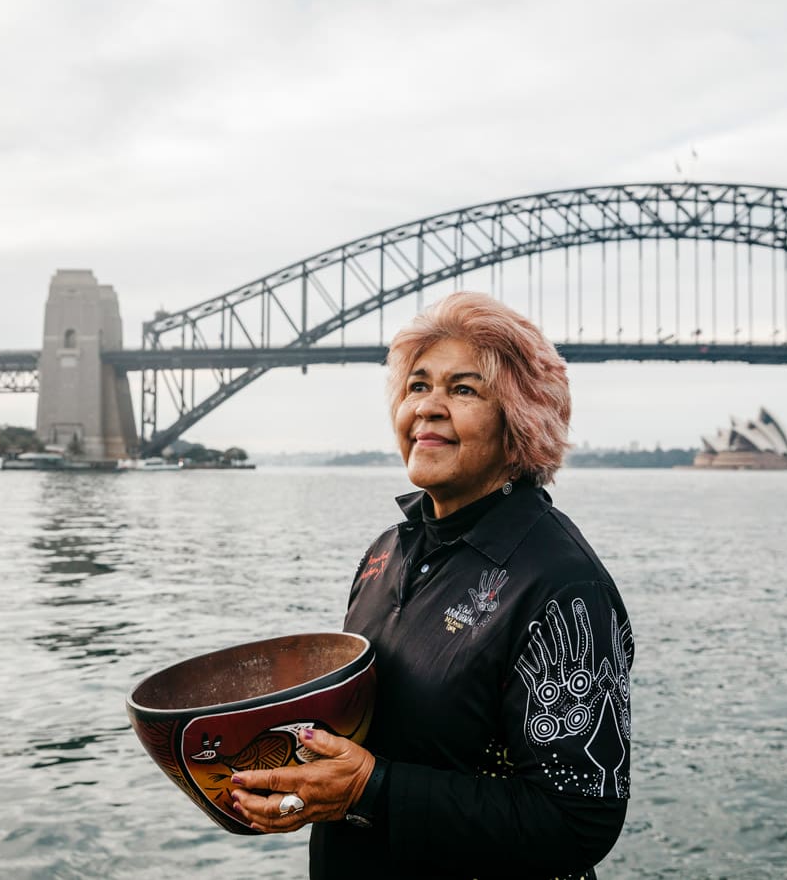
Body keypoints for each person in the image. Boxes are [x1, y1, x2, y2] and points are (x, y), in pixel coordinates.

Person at [231, 291, 634, 879]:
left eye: (463, 390)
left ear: (519, 421)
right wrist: (294, 779)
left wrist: (370, 790)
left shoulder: (563, 587)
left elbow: (578, 822)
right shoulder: (386, 554)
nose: (428, 407)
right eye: (417, 386)